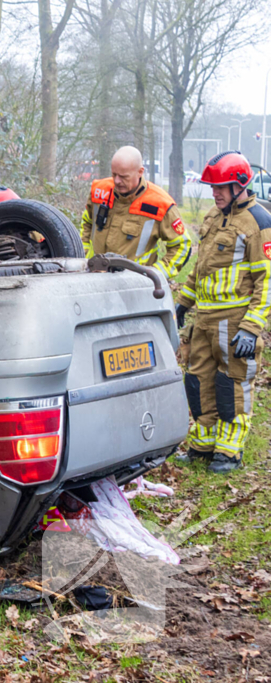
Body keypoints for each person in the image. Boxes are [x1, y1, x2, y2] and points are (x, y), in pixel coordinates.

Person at [175, 151, 271, 473]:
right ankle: (202, 446)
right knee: (198, 382)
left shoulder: (259, 223)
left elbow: (267, 281)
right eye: (212, 187)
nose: (214, 193)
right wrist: (183, 304)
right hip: (203, 321)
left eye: (221, 187)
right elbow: (199, 271)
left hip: (234, 323)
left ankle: (229, 452)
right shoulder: (213, 218)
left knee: (232, 388)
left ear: (240, 184)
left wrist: (251, 327)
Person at [80, 146, 193, 279]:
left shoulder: (159, 204)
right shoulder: (100, 191)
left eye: (123, 177)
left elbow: (182, 246)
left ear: (140, 172)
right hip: (94, 279)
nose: (116, 181)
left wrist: (155, 275)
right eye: (114, 174)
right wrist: (85, 259)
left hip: (134, 287)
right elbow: (87, 223)